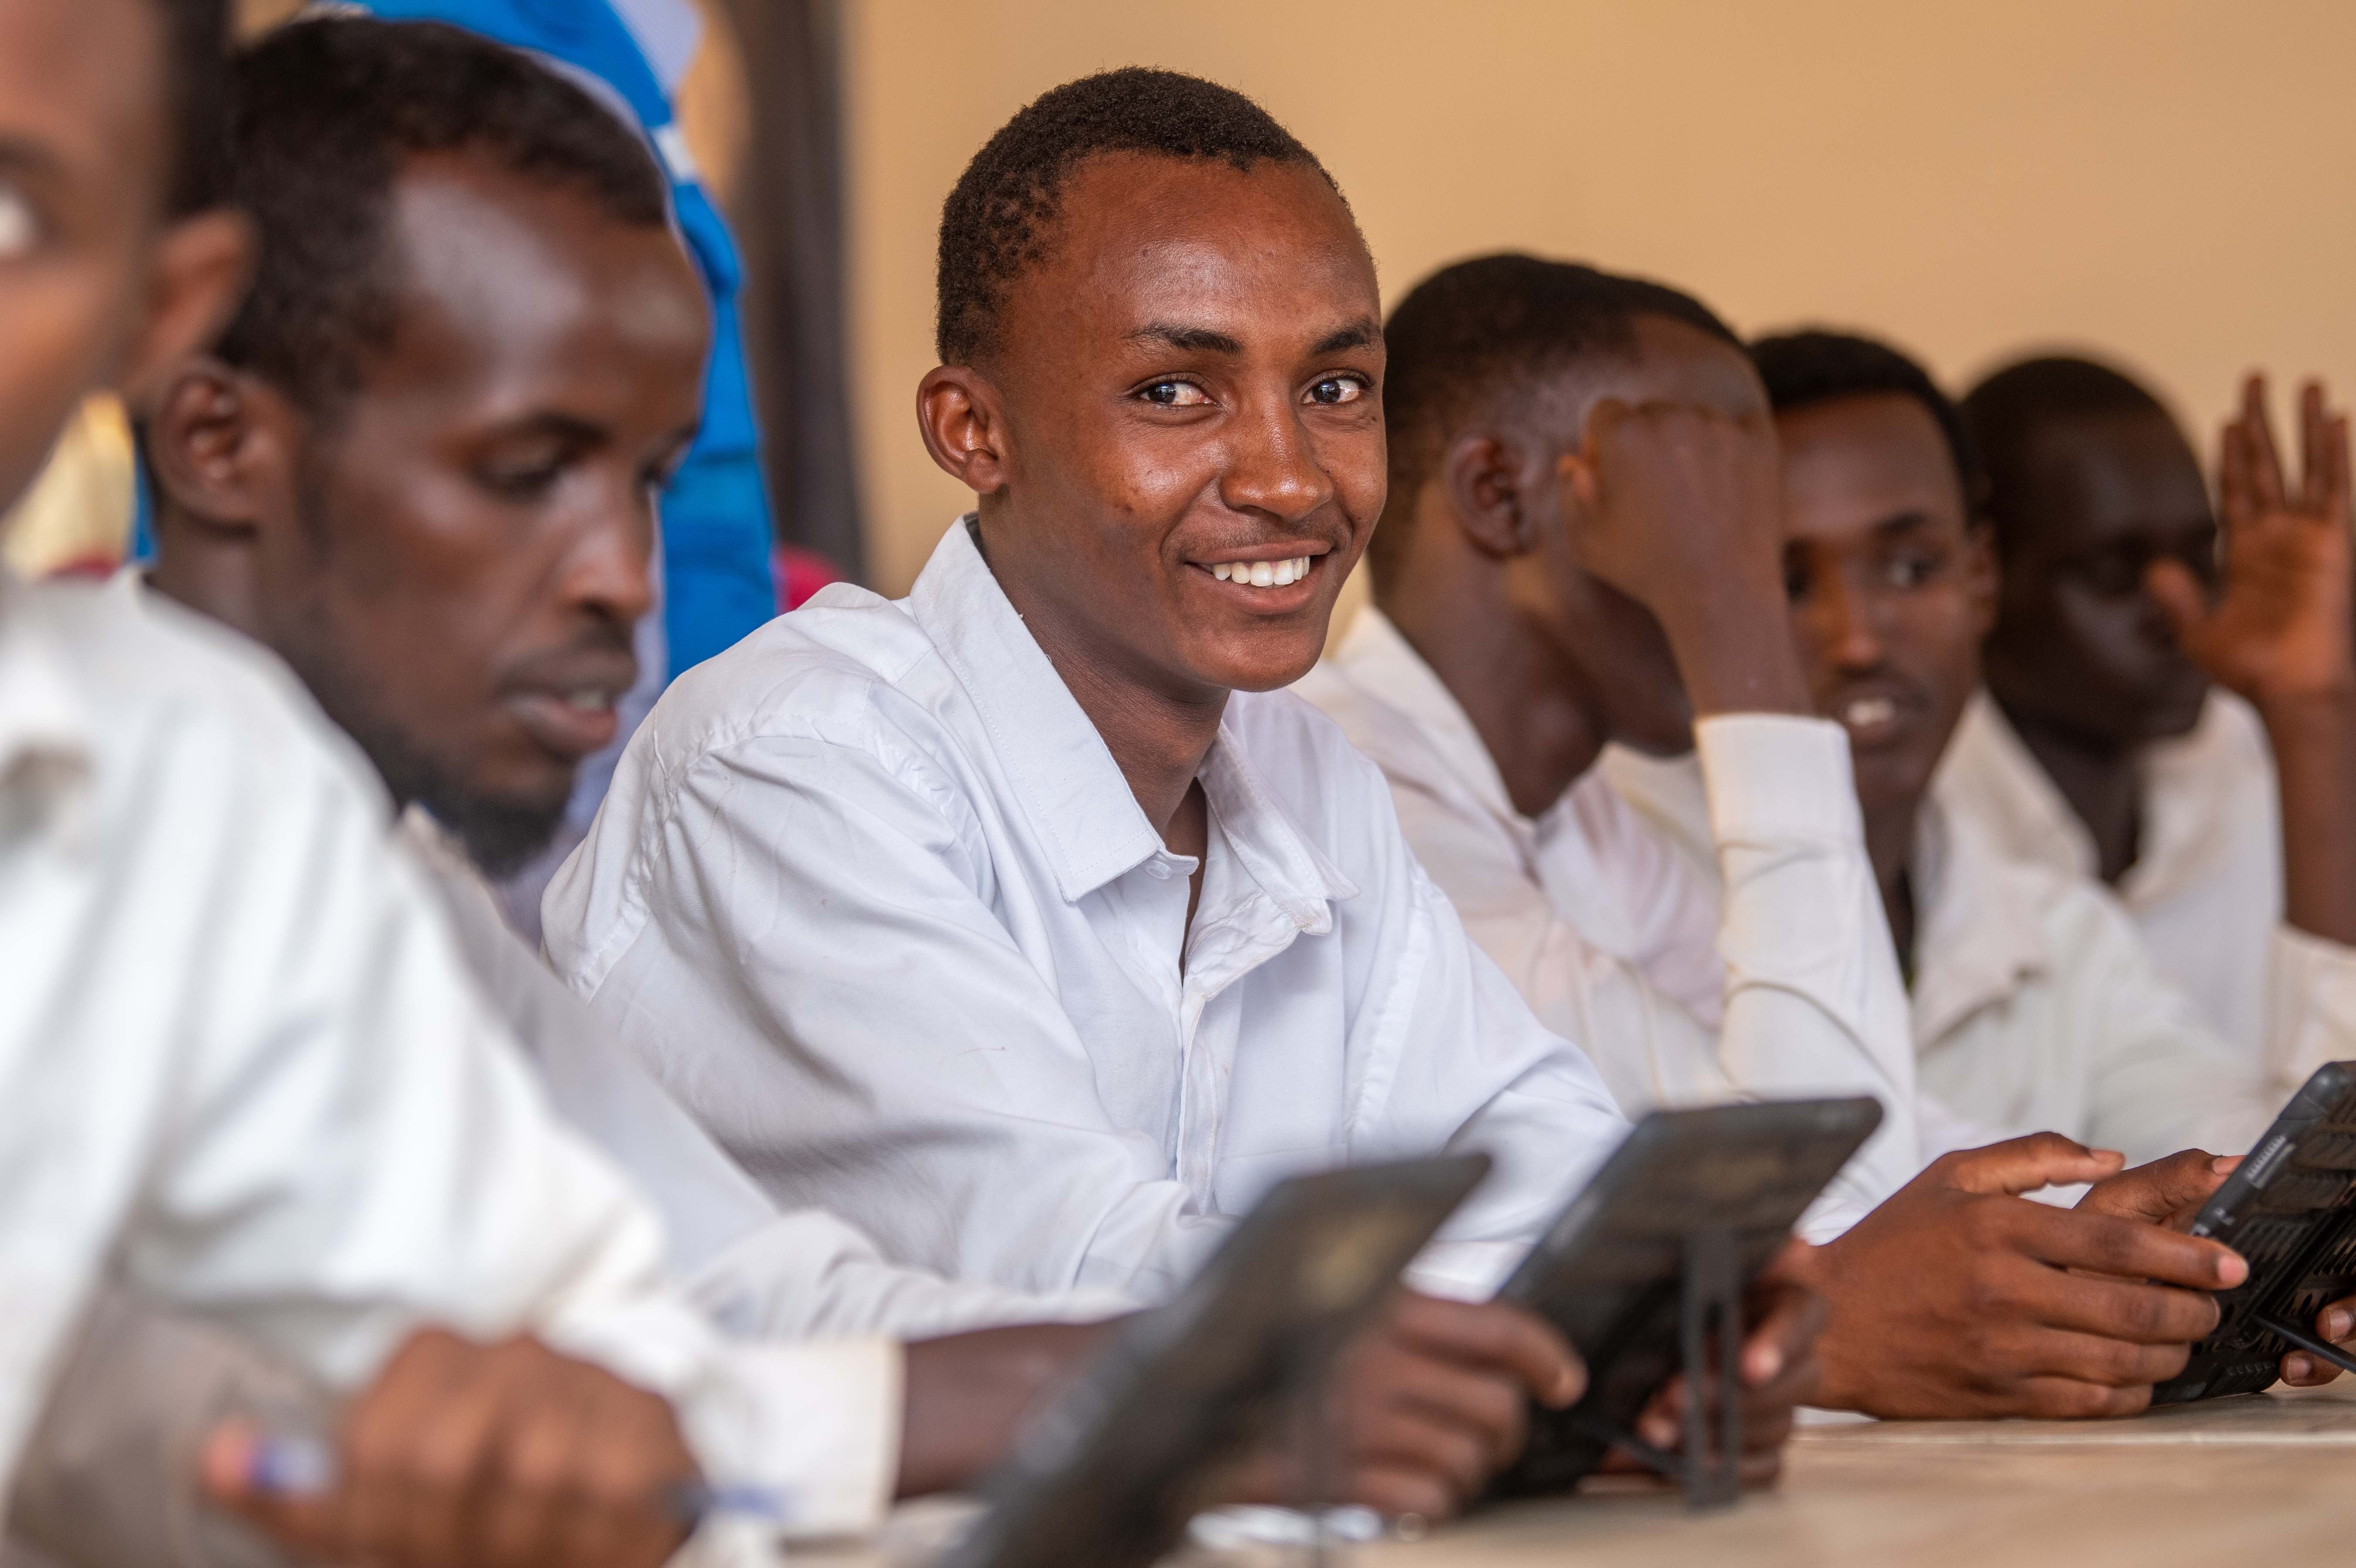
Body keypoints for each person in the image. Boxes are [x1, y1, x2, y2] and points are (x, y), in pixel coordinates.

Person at [25, 18, 1628, 1544]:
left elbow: (712, 1310)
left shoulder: (349, 852)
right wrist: (1221, 1372)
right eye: (526, 473)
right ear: (208, 420)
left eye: (645, 479)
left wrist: (1237, 1373)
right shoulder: (773, 757)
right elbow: (142, 1436)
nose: (620, 578)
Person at [545, 67, 1822, 1461]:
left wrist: (1670, 1316)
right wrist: (1592, 1327)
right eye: (1175, 392)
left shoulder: (1301, 774)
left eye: (1336, 386)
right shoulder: (793, 766)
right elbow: (1060, 1270)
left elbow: (1553, 1175)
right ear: (974, 431)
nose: (1290, 476)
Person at [0, 1, 899, 1563]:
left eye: (12, 215)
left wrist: (541, 1438)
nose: (621, 580)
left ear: (154, 315)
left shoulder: (198, 791)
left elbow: (610, 1372)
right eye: (526, 469)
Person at [1294, 254, 2267, 1420]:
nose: (1748, 566)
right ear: (1501, 496)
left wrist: (2169, 1239)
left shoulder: (1586, 829)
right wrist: (1737, 639)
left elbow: (1860, 1148)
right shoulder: (1353, 804)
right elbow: (1815, 1210)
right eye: (1717, 517)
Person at [1754, 329, 2280, 1163]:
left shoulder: (2055, 930)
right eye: (1788, 585)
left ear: (1980, 578)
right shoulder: (1621, 921)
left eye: (1908, 568)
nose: (1857, 640)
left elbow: (2239, 1168)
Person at [1940, 355, 2356, 1088]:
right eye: (2111, 571)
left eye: (2203, 558)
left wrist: (2310, 720)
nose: (2182, 609)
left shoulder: (2265, 772)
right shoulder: (1922, 832)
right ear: (1982, 577)